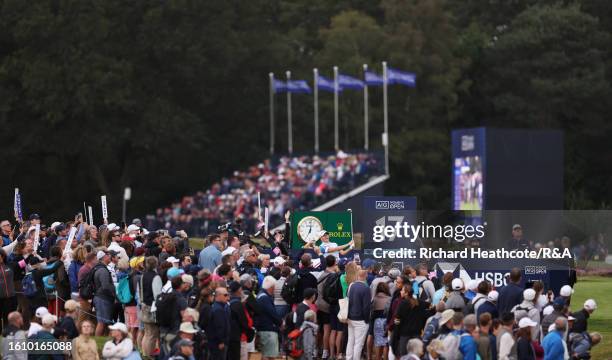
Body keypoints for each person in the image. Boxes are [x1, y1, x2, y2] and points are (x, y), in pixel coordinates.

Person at [315, 255, 338, 360]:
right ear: (334, 263)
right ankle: (325, 352)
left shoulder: (321, 274)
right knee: (326, 329)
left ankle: (316, 350)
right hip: (326, 306)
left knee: (318, 329)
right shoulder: (333, 276)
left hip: (317, 304)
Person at [255, 276, 282, 360]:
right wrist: (280, 322)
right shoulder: (265, 298)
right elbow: (272, 313)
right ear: (271, 287)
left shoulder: (260, 295)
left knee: (265, 355)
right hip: (268, 330)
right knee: (269, 356)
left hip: (263, 328)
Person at [140, 256, 163, 356]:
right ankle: (148, 355)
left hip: (144, 306)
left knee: (147, 333)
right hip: (152, 308)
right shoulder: (156, 277)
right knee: (152, 334)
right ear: (156, 264)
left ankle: (145, 354)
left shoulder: (143, 275)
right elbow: (157, 295)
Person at [346, 270, 372, 360]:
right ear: (366, 276)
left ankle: (349, 358)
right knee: (358, 343)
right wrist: (366, 320)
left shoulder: (351, 286)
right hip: (361, 319)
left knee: (351, 341)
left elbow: (347, 299)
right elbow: (366, 307)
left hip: (350, 317)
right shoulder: (366, 288)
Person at [93, 250, 116, 336]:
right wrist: (114, 293)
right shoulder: (103, 270)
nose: (109, 257)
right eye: (108, 255)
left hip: (102, 298)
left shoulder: (100, 268)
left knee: (103, 322)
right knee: (102, 322)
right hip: (102, 298)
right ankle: (97, 343)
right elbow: (106, 286)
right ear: (104, 257)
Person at [228, 282, 253, 360]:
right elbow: (244, 322)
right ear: (239, 290)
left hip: (232, 336)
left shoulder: (229, 302)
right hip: (239, 337)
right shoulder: (237, 304)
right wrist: (249, 332)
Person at [207, 286, 231, 359]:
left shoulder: (220, 307)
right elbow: (219, 327)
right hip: (218, 343)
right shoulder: (218, 309)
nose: (228, 297)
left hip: (219, 342)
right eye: (225, 295)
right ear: (219, 295)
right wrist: (221, 341)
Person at [371, 282, 391, 360]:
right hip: (386, 321)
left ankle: (377, 358)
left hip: (377, 321)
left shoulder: (374, 298)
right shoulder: (389, 298)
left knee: (378, 342)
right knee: (386, 343)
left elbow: (372, 312)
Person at [0, 248, 16, 333]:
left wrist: (30, 255)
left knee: (8, 317)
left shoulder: (9, 265)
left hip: (9, 297)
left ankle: (7, 334)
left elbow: (21, 264)